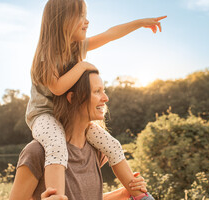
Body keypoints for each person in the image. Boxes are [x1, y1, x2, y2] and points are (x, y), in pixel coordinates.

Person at [26, 0, 166, 198]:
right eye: (81, 16)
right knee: (56, 144)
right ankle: (57, 195)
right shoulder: (47, 56)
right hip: (44, 116)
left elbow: (109, 34)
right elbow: (57, 88)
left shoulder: (77, 48)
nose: (87, 21)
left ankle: (138, 193)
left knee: (112, 145)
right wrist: (83, 65)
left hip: (69, 117)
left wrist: (140, 23)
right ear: (63, 20)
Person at [10, 70, 153, 200]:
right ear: (72, 98)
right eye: (97, 91)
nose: (105, 98)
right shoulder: (36, 152)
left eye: (104, 91)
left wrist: (122, 193)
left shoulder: (98, 149)